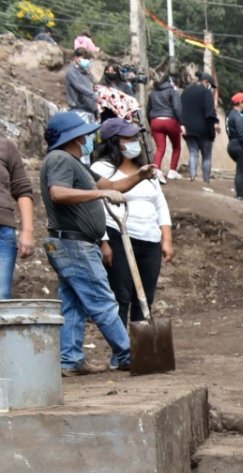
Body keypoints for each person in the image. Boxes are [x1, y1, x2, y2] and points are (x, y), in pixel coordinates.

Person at [41, 112, 154, 375]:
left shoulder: (76, 163)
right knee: (102, 300)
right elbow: (57, 192)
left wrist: (140, 174)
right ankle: (128, 355)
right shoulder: (59, 159)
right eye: (84, 134)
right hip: (74, 244)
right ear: (74, 137)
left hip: (72, 243)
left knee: (74, 303)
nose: (88, 138)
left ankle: (70, 360)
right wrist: (101, 193)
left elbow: (114, 185)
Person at [92, 118, 174, 326]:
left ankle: (139, 350)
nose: (134, 141)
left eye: (134, 137)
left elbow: (160, 204)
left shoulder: (147, 170)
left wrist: (166, 239)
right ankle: (120, 352)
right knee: (121, 295)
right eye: (128, 137)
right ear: (114, 142)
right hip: (119, 236)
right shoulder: (101, 169)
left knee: (145, 298)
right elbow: (97, 205)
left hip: (150, 239)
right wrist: (103, 241)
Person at [0, 137, 34, 300]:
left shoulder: (5, 146)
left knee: (1, 298)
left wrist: (27, 231)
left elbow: (23, 190)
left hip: (2, 233)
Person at [180, 73, 219, 183]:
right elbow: (210, 113)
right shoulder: (207, 93)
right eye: (210, 85)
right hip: (205, 130)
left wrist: (182, 124)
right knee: (206, 156)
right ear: (206, 82)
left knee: (193, 153)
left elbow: (180, 110)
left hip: (188, 129)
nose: (210, 88)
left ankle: (192, 177)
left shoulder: (185, 92)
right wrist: (215, 124)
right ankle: (206, 180)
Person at [147, 75, 184, 180]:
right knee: (176, 147)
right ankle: (172, 171)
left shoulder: (152, 93)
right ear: (169, 82)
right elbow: (177, 108)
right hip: (170, 121)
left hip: (155, 121)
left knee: (160, 148)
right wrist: (181, 123)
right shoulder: (172, 91)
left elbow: (148, 110)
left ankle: (156, 170)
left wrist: (151, 123)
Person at [65, 48, 97, 124]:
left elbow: (90, 86)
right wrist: (94, 96)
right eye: (84, 58)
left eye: (87, 59)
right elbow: (79, 86)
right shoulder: (71, 71)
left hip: (90, 110)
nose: (86, 61)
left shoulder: (86, 72)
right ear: (76, 58)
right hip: (79, 110)